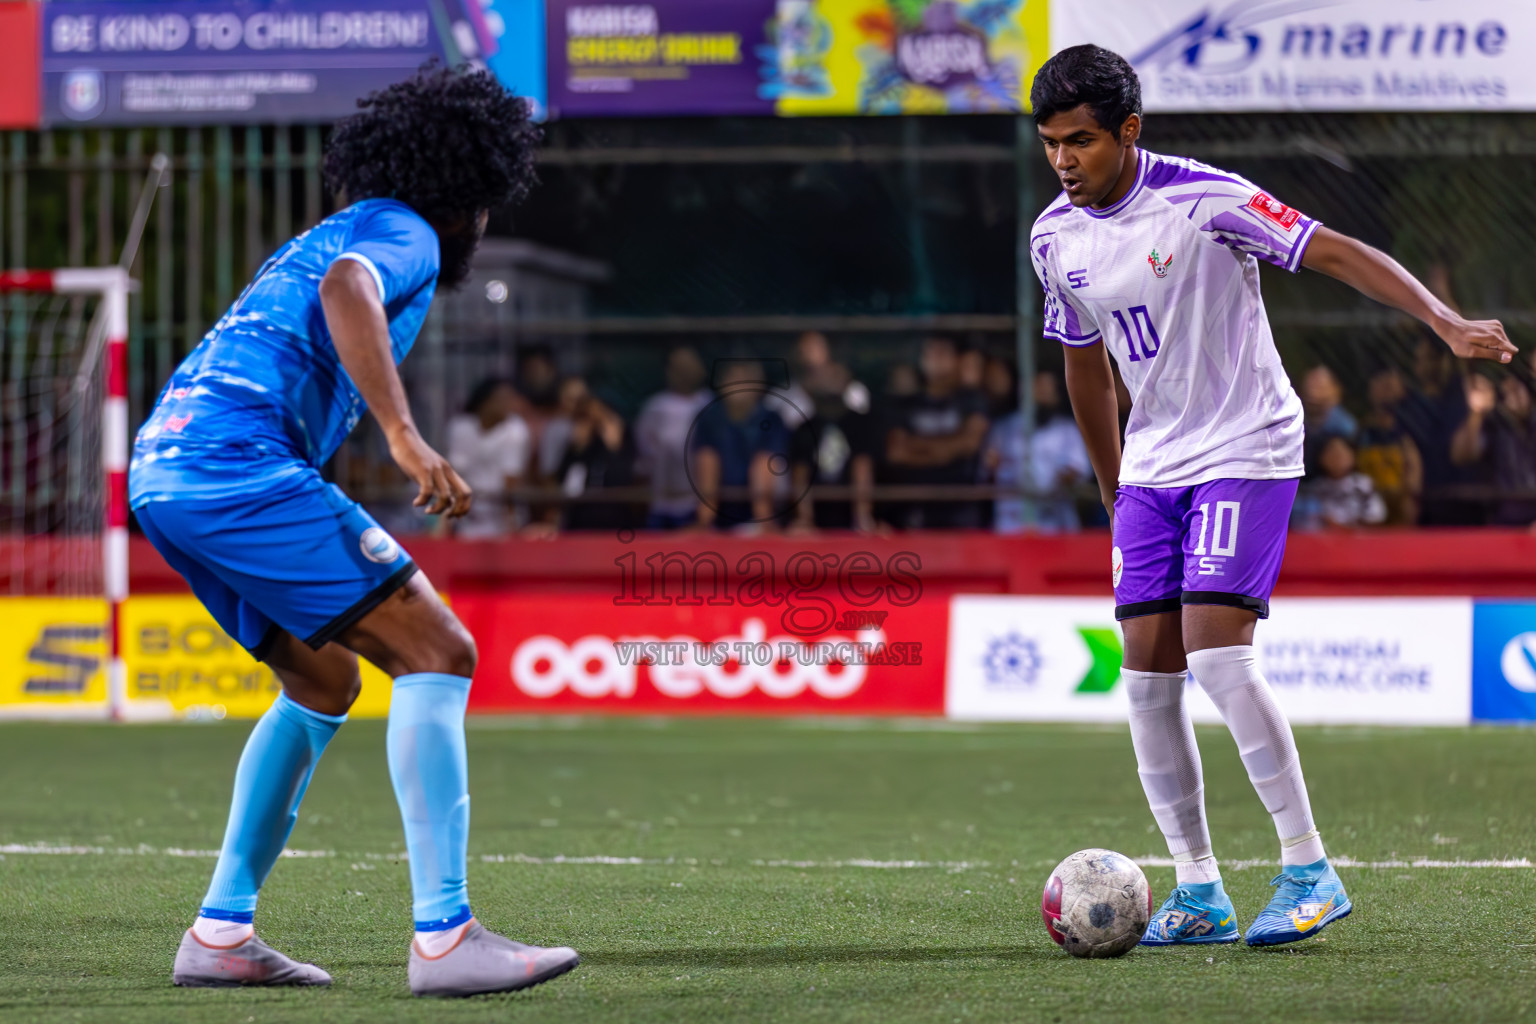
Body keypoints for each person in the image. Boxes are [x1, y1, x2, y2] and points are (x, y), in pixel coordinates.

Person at [1030, 45, 1514, 949]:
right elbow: (1082, 365)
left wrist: (1442, 321)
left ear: (1128, 132)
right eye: (1052, 143)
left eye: (1083, 142)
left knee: (1217, 657)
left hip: (1246, 442)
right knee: (1143, 677)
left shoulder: (1207, 199)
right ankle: (1200, 888)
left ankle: (1307, 869)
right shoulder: (1054, 237)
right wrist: (1113, 488)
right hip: (1151, 469)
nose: (1064, 160)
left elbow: (1330, 251)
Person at [128, 67, 579, 995]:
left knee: (323, 675)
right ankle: (446, 938)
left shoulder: (319, 231)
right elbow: (348, 290)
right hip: (235, 467)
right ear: (467, 195)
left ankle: (220, 932)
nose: (484, 225)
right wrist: (407, 438)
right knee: (439, 650)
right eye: (488, 206)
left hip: (164, 469)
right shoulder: (403, 229)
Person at [885, 336, 990, 529]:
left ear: (956, 360)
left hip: (962, 506)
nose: (936, 359)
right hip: (917, 506)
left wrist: (918, 445)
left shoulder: (972, 400)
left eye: (942, 352)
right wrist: (947, 450)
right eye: (930, 353)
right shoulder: (907, 404)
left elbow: (970, 444)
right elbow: (897, 453)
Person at [983, 369, 1091, 533]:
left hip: (1054, 524)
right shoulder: (1004, 428)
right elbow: (987, 472)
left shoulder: (1067, 429)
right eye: (1038, 388)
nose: (1042, 396)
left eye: (1048, 391)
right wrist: (992, 466)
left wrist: (1064, 478)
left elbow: (1079, 470)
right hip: (1010, 524)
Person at [690, 360, 789, 530]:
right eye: (733, 378)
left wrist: (762, 513)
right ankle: (704, 519)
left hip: (760, 507)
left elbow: (767, 460)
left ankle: (765, 523)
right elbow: (705, 457)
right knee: (707, 458)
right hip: (719, 509)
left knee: (764, 461)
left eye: (745, 378)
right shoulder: (709, 418)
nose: (738, 384)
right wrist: (707, 510)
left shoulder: (771, 418)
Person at [788, 363, 879, 532]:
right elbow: (800, 474)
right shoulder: (805, 428)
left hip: (849, 513)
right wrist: (805, 519)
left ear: (848, 382)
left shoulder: (859, 423)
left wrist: (862, 518)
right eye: (825, 376)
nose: (830, 381)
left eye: (836, 376)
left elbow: (863, 466)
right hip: (817, 512)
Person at [634, 346, 711, 529]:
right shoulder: (655, 408)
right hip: (661, 504)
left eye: (689, 365)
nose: (684, 372)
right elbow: (644, 456)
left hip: (697, 504)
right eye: (678, 367)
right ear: (669, 371)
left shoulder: (709, 405)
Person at [443, 378, 530, 538]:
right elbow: (453, 476)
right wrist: (445, 523)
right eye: (501, 399)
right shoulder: (461, 427)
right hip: (466, 518)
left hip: (499, 521)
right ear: (485, 402)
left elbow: (510, 483)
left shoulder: (515, 430)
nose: (507, 405)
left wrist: (511, 528)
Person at [1451, 367, 1536, 526]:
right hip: (1505, 520)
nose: (1514, 397)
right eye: (1507, 393)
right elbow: (1461, 455)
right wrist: (1476, 414)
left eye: (1518, 389)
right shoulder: (1494, 427)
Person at [1354, 366, 1423, 525]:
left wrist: (1410, 496)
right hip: (1368, 507)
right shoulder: (1362, 431)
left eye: (1390, 385)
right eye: (1380, 384)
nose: (1386, 390)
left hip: (1401, 507)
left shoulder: (1410, 430)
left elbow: (1414, 472)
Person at [1292, 435, 1387, 530]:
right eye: (1332, 453)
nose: (1337, 457)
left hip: (1360, 538)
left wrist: (1350, 526)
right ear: (1321, 458)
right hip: (1323, 540)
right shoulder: (1313, 489)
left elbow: (1377, 514)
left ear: (1352, 456)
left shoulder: (1364, 484)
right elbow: (1303, 522)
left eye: (1342, 453)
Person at [1298, 365, 1357, 477]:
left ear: (1335, 391)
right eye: (1310, 385)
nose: (1312, 391)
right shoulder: (1297, 415)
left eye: (1319, 386)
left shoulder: (1345, 427)